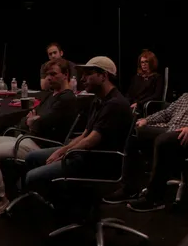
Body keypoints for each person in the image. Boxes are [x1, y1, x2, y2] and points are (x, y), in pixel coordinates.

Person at [112, 57, 188, 212]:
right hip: (169, 129)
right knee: (134, 132)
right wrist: (146, 120)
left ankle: (154, 198)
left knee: (164, 140)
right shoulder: (187, 95)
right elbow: (167, 113)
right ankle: (129, 188)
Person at [0, 58, 78, 217]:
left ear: (65, 75)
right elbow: (30, 118)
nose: (49, 78)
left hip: (41, 145)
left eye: (54, 74)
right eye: (48, 74)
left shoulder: (66, 98)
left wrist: (34, 121)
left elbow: (41, 123)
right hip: (26, 137)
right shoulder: (51, 96)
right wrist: (32, 121)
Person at [24, 57, 133, 190]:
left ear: (103, 76)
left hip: (97, 161)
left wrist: (65, 153)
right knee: (32, 157)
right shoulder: (98, 100)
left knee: (31, 176)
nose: (82, 79)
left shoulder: (115, 104)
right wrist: (61, 151)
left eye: (88, 74)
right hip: (85, 154)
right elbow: (85, 134)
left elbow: (90, 141)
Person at [125, 50, 165, 114]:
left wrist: (139, 104)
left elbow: (156, 96)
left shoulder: (157, 78)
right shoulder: (136, 77)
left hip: (147, 106)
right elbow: (129, 94)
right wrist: (126, 103)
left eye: (146, 62)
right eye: (142, 62)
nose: (144, 64)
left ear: (152, 63)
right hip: (134, 105)